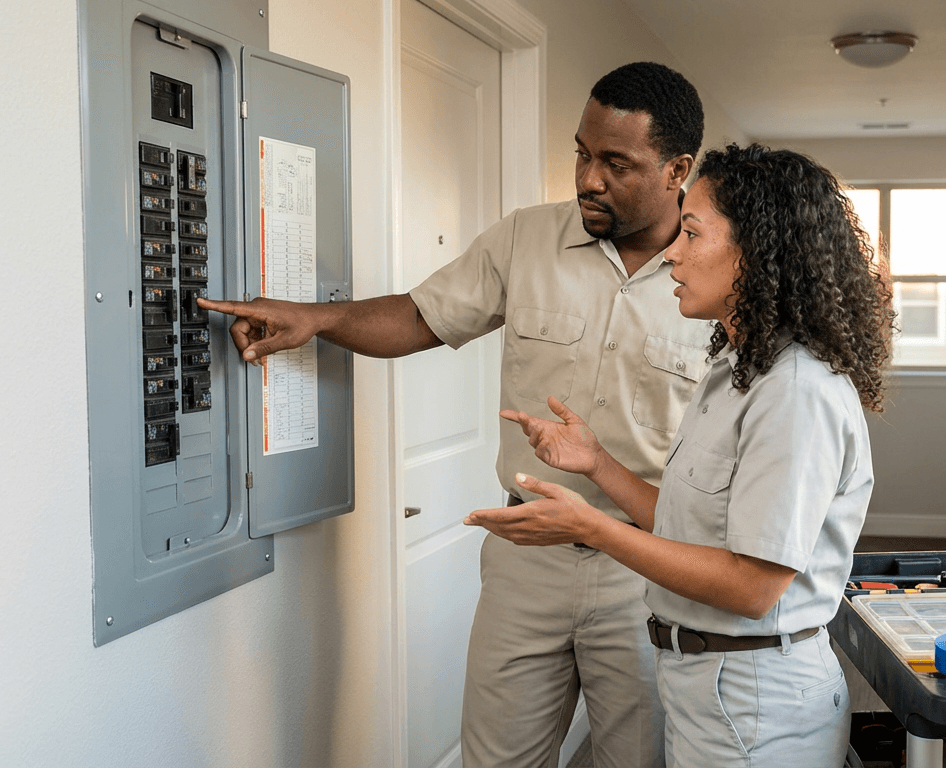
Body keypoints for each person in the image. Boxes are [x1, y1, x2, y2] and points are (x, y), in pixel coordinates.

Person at [198, 62, 712, 768]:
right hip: (527, 557)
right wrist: (316, 320)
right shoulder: (526, 238)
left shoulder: (715, 273)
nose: (588, 178)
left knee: (640, 760)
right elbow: (418, 316)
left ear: (676, 168)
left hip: (646, 569)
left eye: (615, 163)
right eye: (582, 153)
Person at [465, 143, 896, 767]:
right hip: (704, 682)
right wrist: (598, 464)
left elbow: (752, 586)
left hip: (756, 701)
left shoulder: (796, 391)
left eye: (692, 233)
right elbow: (696, 522)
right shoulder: (735, 368)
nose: (672, 252)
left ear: (758, 251)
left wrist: (591, 528)